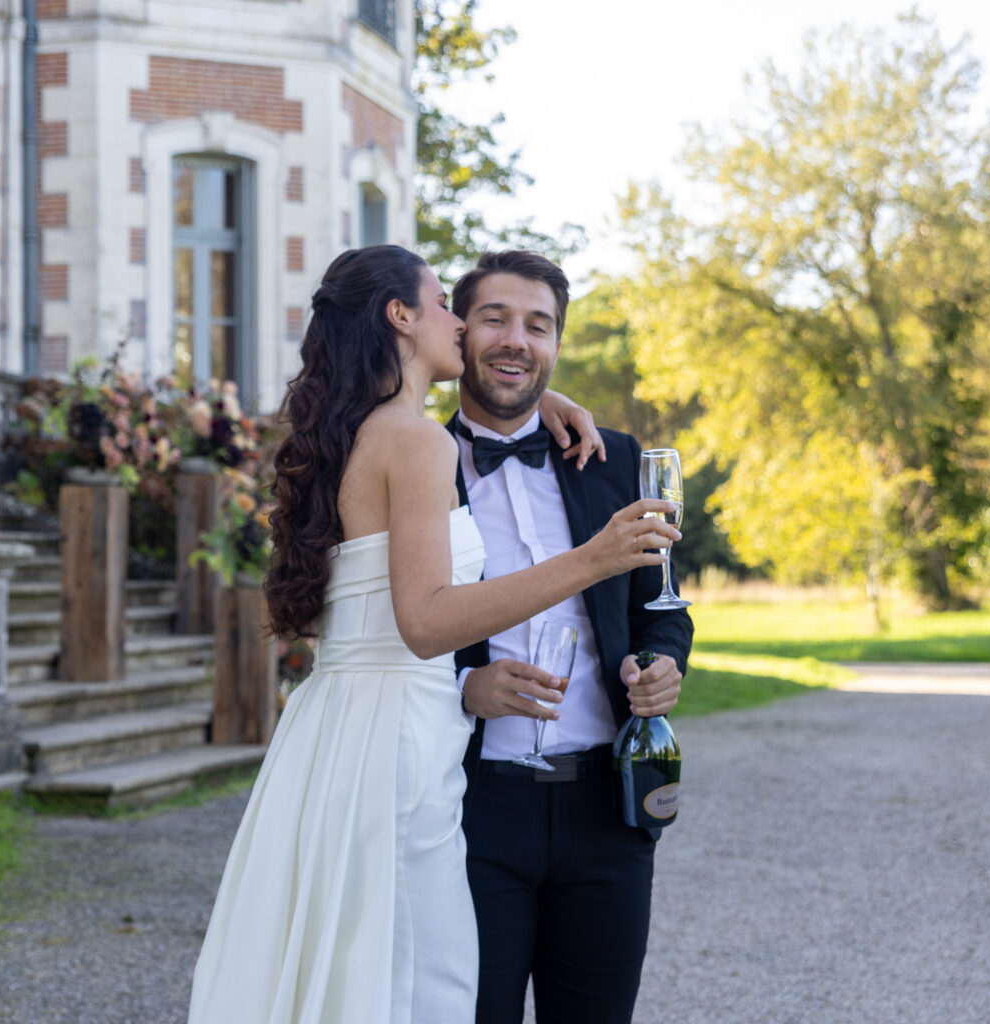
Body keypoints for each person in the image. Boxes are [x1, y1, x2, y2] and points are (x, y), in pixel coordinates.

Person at [186, 244, 680, 1024]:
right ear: (402, 317)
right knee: (422, 985)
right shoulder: (422, 443)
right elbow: (422, 622)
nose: (484, 331)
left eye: (539, 328)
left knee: (353, 969)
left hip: (355, 737)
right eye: (462, 310)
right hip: (427, 759)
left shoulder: (359, 431)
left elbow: (660, 606)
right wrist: (589, 561)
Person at [448, 250, 694, 1024]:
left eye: (538, 325)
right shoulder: (415, 464)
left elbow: (663, 605)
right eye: (495, 318)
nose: (516, 339)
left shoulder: (615, 458)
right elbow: (385, 626)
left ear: (556, 345)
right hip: (468, 809)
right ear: (458, 332)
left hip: (603, 810)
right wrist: (464, 688)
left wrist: (663, 665)